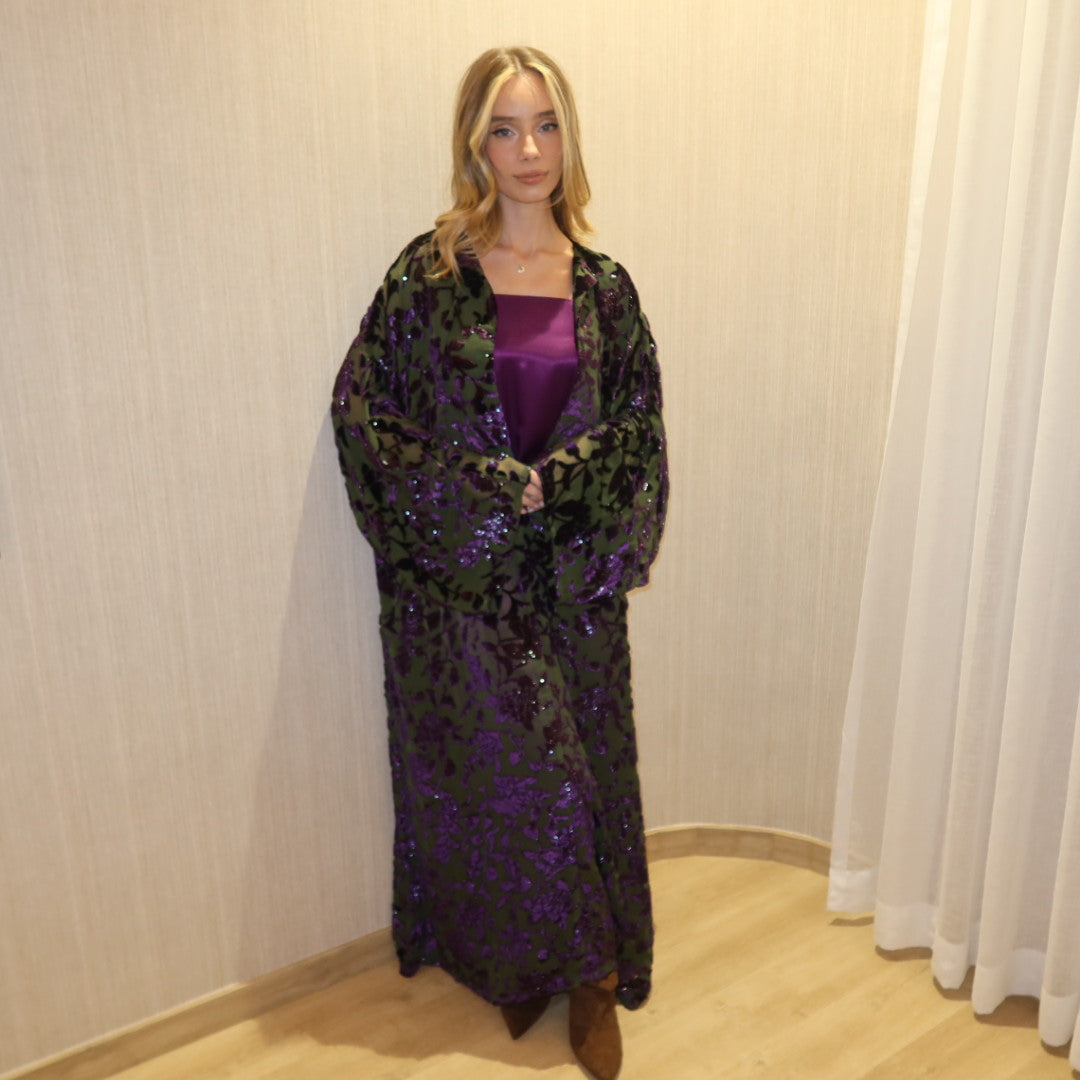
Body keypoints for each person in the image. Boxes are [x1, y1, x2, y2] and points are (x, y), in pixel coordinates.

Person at [331, 45, 667, 1080]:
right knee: (504, 781)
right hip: (463, 587)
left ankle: (594, 977)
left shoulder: (605, 290)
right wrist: (479, 488)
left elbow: (638, 430)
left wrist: (557, 480)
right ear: (475, 145)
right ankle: (522, 964)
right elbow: (363, 414)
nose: (529, 150)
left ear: (570, 137)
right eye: (506, 129)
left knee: (579, 772)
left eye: (547, 125)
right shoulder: (427, 276)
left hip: (571, 580)